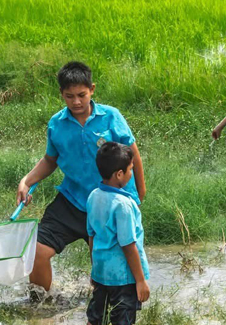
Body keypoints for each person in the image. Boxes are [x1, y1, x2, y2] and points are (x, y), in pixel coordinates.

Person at [16, 62, 146, 300]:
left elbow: (133, 153)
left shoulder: (110, 117)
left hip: (109, 202)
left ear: (92, 89)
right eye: (69, 96)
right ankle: (40, 307)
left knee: (104, 263)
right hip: (72, 200)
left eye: (81, 95)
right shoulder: (57, 124)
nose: (76, 102)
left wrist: (139, 193)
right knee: (37, 251)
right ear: (61, 95)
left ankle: (104, 307)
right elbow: (50, 159)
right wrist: (26, 181)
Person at [85, 142, 150, 325]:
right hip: (123, 277)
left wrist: (94, 268)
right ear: (119, 174)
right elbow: (128, 245)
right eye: (131, 169)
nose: (132, 173)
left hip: (102, 272)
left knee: (95, 317)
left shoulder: (93, 196)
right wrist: (140, 280)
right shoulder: (124, 205)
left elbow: (91, 235)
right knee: (124, 322)